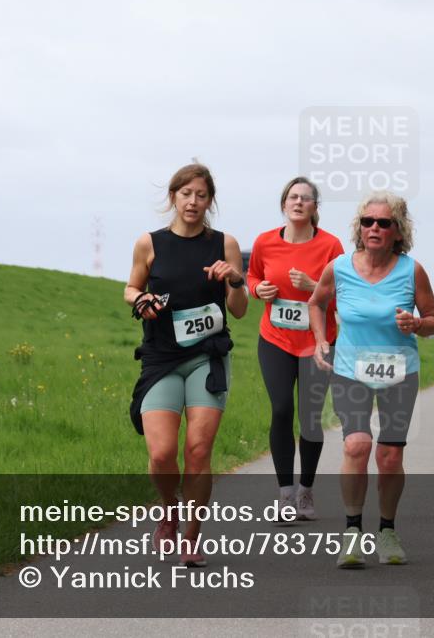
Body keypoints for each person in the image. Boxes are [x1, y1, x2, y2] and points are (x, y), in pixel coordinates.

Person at [309, 191, 434, 568]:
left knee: (390, 455)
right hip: (351, 370)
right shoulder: (339, 267)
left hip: (400, 372)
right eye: (368, 221)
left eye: (384, 223)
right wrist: (321, 340)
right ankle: (352, 532)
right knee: (356, 446)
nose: (374, 228)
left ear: (398, 231)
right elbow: (316, 303)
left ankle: (386, 529)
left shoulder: (411, 270)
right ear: (359, 227)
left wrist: (417, 323)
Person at [125, 163, 248, 567]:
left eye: (201, 195)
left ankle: (192, 537)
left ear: (210, 200)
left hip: (206, 357)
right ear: (173, 197)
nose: (192, 201)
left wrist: (234, 279)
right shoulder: (150, 242)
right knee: (161, 454)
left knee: (198, 450)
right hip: (161, 358)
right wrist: (139, 301)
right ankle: (168, 510)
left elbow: (240, 310)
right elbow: (131, 286)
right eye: (185, 194)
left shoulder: (224, 244)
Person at [247, 177, 344, 520]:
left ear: (316, 207)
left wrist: (315, 286)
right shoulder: (264, 242)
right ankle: (285, 494)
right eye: (292, 197)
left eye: (306, 198)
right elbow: (252, 277)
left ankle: (306, 491)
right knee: (282, 408)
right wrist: (259, 290)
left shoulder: (331, 246)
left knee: (310, 417)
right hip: (275, 338)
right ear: (284, 204)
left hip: (317, 342)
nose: (298, 202)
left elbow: (343, 296)